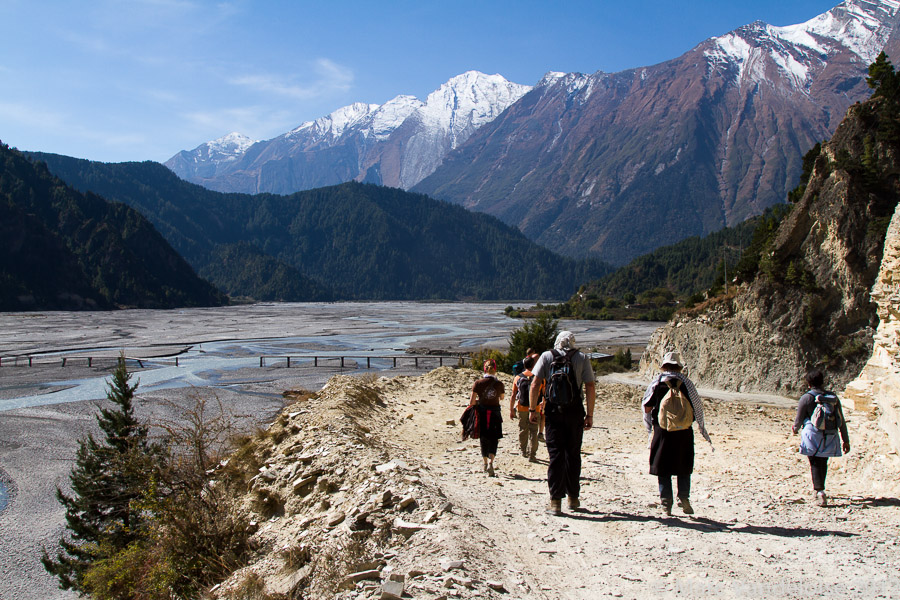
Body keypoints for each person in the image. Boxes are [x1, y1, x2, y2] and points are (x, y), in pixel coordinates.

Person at [529, 332, 595, 514]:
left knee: (556, 455)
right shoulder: (582, 357)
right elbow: (590, 386)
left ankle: (555, 500)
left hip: (552, 412)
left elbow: (535, 384)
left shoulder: (547, 356)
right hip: (575, 412)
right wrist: (589, 414)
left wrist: (533, 410)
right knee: (573, 454)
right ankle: (573, 498)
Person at [641, 351, 712, 516]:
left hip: (663, 431)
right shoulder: (687, 383)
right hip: (684, 432)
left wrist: (649, 426)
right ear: (679, 367)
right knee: (684, 465)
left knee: (663, 467)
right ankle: (684, 497)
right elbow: (697, 407)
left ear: (664, 366)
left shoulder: (657, 383)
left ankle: (666, 502)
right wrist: (700, 427)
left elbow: (646, 406)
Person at [792, 368, 850, 507]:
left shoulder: (807, 397)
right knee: (823, 461)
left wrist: (795, 428)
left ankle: (819, 491)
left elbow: (799, 418)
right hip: (830, 434)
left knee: (814, 462)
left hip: (812, 434)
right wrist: (845, 440)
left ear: (808, 383)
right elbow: (840, 420)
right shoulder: (832, 398)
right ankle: (820, 488)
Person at [470, 359, 505, 477]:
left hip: (482, 413)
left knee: (483, 437)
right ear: (495, 369)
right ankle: (491, 462)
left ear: (484, 369)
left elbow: (472, 401)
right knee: (494, 438)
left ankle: (484, 462)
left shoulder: (478, 383)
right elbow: (502, 397)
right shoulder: (499, 384)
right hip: (495, 413)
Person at [510, 355, 539, 461]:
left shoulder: (518, 377)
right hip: (535, 407)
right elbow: (543, 393)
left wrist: (511, 409)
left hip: (521, 407)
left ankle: (523, 450)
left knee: (523, 429)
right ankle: (532, 454)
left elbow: (514, 394)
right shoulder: (538, 377)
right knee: (534, 431)